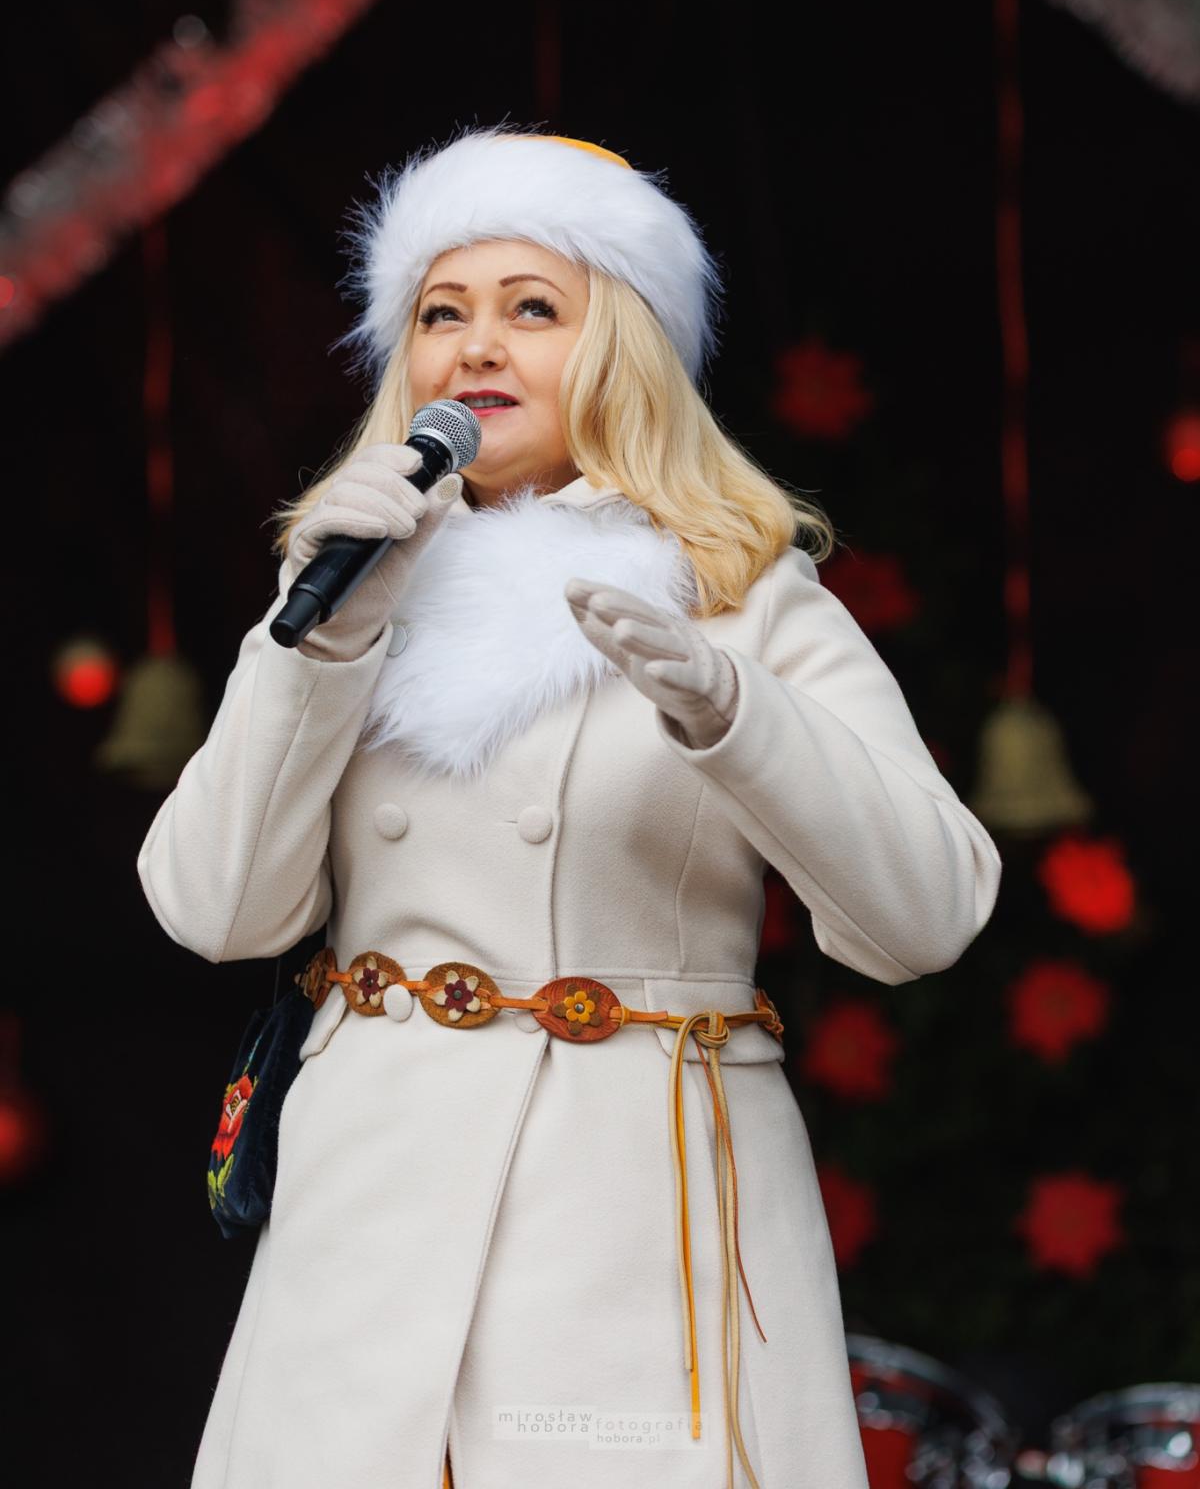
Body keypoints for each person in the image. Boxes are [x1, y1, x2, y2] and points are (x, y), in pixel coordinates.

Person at [137, 124, 1002, 1489]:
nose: (476, 346)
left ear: (624, 346)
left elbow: (929, 915)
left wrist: (736, 715)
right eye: (440, 313)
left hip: (627, 1218)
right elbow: (214, 906)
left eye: (532, 308)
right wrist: (320, 642)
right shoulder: (354, 583)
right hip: (366, 1214)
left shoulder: (743, 588)